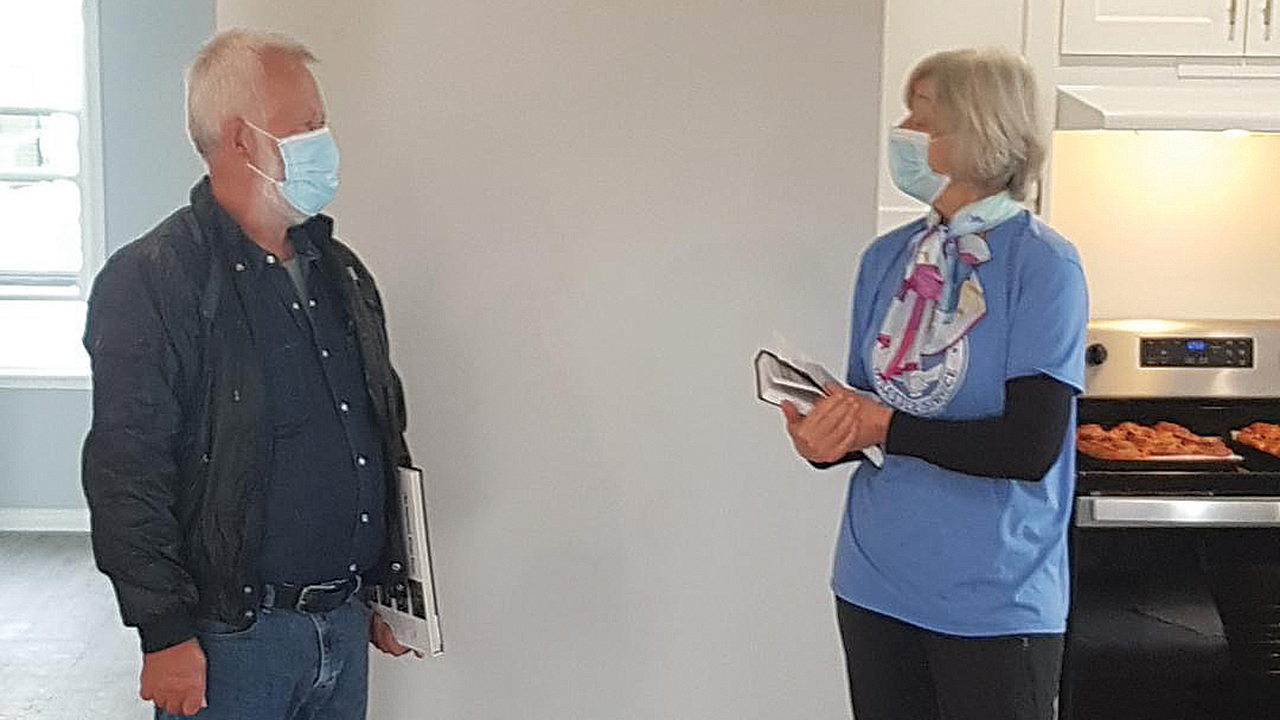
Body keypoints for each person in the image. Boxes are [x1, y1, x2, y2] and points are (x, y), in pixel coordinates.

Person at [82, 29, 417, 720]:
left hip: (344, 623)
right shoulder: (154, 280)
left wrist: (391, 589)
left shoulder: (340, 272)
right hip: (235, 640)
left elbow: (380, 432)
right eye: (307, 126)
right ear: (241, 139)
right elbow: (127, 471)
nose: (325, 143)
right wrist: (164, 634)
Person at [780, 48, 1088, 720]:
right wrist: (826, 439)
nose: (903, 132)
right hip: (874, 582)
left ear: (980, 132)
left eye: (922, 118)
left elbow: (1028, 447)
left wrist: (884, 427)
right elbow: (872, 416)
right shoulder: (885, 259)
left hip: (994, 598)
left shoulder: (1044, 266)